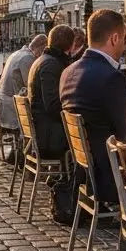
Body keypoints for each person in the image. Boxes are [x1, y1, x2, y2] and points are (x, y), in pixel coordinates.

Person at [61, 10, 126, 199]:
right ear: (115, 38)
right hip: (109, 174)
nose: (124, 46)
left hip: (84, 169)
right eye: (124, 39)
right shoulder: (112, 78)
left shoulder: (68, 72)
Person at [28, 25, 74, 159]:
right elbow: (52, 105)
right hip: (49, 137)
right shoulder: (51, 64)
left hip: (42, 130)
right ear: (70, 46)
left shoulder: (42, 60)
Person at [0, 34, 47, 131]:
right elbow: (31, 87)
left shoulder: (16, 53)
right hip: (14, 111)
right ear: (42, 48)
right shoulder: (27, 58)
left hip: (4, 106)